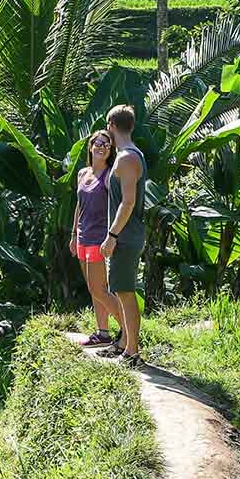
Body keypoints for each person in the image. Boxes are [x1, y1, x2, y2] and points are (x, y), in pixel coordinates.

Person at [99, 104, 147, 367]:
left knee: (126, 293)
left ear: (112, 126)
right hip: (125, 236)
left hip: (126, 237)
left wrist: (112, 235)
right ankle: (124, 344)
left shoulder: (127, 157)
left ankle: (132, 352)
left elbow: (128, 202)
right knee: (120, 290)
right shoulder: (126, 155)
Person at [71, 130, 121, 348]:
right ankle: (102, 333)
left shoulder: (110, 176)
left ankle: (127, 329)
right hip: (82, 236)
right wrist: (74, 234)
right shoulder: (82, 173)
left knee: (99, 288)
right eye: (98, 143)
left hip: (99, 238)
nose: (102, 147)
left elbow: (120, 204)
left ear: (110, 151)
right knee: (94, 289)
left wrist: (113, 236)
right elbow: (78, 205)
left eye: (107, 145)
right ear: (90, 146)